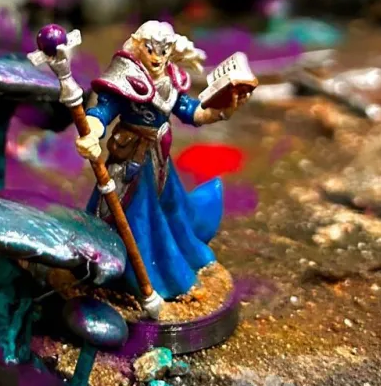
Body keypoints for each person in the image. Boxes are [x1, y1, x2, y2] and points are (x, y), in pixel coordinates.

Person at [75, 20, 250, 301]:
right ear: (137, 46)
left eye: (164, 50)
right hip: (132, 160)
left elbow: (191, 111)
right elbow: (103, 111)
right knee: (135, 216)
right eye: (150, 49)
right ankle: (143, 276)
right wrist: (92, 131)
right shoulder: (124, 76)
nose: (157, 57)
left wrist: (222, 110)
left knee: (171, 209)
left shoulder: (171, 78)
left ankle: (177, 256)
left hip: (160, 161)